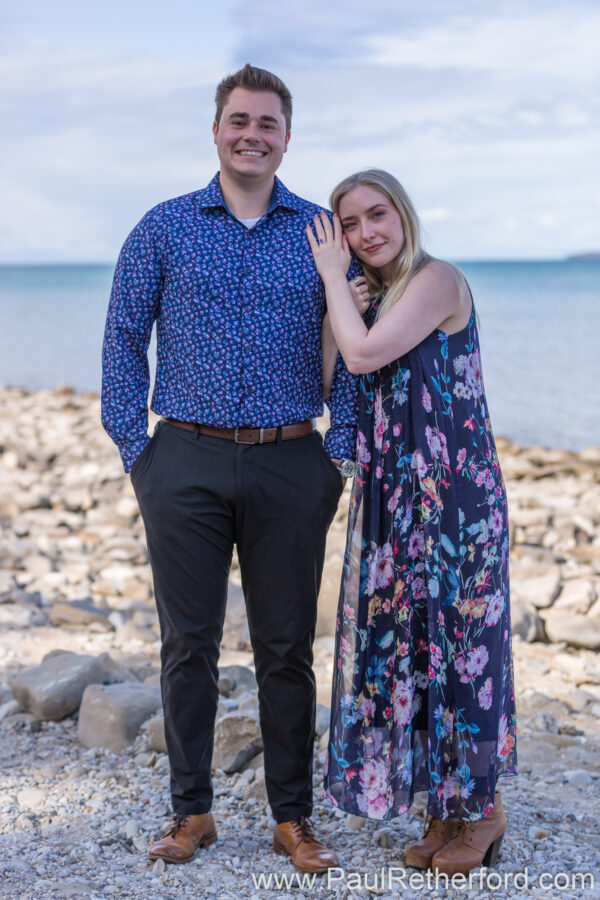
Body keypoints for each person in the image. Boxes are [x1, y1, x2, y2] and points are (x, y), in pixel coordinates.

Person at [101, 64, 359, 874]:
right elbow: (121, 336)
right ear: (216, 130)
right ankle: (192, 813)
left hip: (292, 462)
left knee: (287, 648)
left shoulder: (321, 231)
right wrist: (137, 449)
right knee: (189, 645)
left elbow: (354, 346)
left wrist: (338, 452)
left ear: (288, 136)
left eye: (268, 124)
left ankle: (293, 818)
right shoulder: (164, 227)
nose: (253, 135)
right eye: (239, 121)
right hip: (183, 458)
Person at [307, 169, 517, 877]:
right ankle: (442, 806)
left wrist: (334, 277)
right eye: (351, 225)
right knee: (411, 653)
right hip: (392, 498)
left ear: (402, 212)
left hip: (454, 498)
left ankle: (482, 813)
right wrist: (348, 299)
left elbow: (365, 352)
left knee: (464, 653)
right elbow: (337, 379)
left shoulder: (436, 280)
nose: (367, 233)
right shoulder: (378, 297)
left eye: (376, 214)